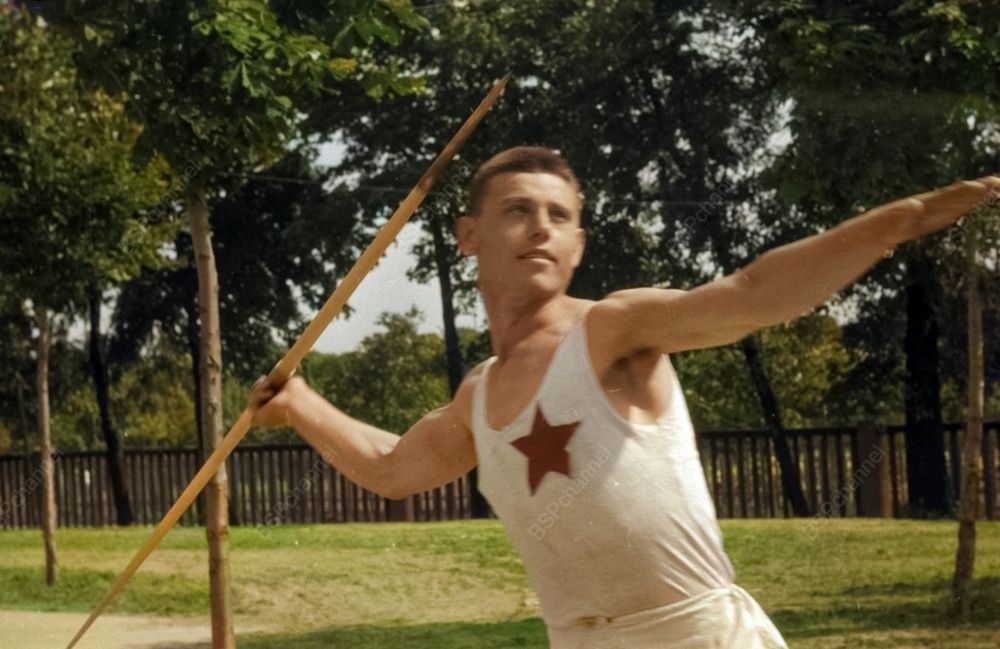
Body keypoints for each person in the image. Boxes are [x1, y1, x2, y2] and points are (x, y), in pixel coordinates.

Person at [250, 146, 998, 648]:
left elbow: (754, 293)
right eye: (517, 210)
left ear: (578, 245)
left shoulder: (612, 331)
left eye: (559, 216)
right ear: (468, 235)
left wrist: (902, 220)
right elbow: (391, 467)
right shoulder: (476, 398)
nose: (540, 228)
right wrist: (298, 404)